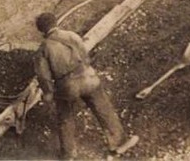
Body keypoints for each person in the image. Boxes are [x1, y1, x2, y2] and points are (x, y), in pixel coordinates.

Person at [34, 13, 137, 160]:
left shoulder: (44, 48)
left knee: (65, 117)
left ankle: (68, 154)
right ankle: (119, 142)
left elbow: (43, 75)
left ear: (41, 30)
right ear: (55, 23)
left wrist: (48, 92)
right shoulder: (72, 36)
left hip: (67, 85)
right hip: (88, 77)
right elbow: (85, 55)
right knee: (103, 108)